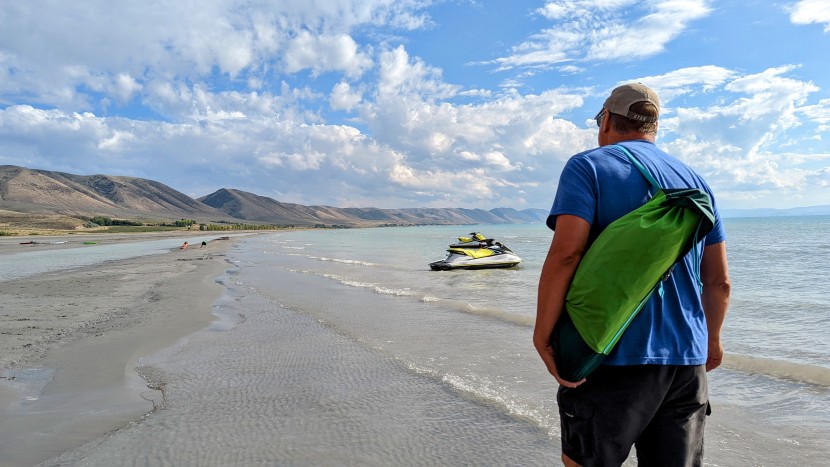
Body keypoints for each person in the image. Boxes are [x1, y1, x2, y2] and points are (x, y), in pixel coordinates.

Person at [534, 83, 731, 467]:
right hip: (686, 362)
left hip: (609, 356)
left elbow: (566, 255)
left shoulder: (588, 166)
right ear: (653, 127)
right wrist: (712, 340)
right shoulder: (696, 182)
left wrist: (543, 336)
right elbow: (719, 280)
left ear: (606, 119)